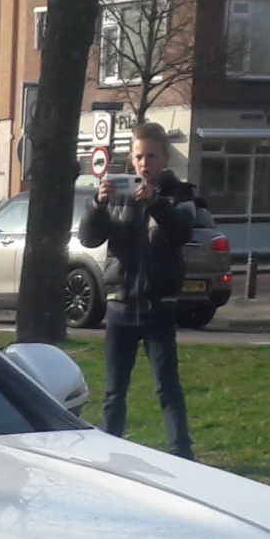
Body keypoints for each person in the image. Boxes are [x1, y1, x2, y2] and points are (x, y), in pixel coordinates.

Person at [78, 121, 197, 460]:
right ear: (131, 158)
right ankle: (109, 453)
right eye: (139, 156)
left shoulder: (180, 194)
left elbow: (182, 232)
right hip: (120, 306)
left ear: (165, 158)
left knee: (167, 387)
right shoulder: (116, 192)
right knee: (114, 391)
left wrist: (157, 203)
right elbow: (89, 239)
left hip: (159, 305)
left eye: (152, 156)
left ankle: (182, 454)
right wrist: (98, 206)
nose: (144, 164)